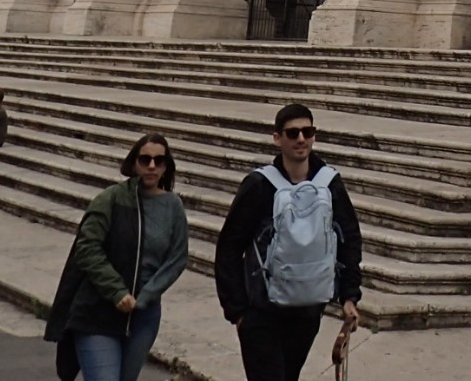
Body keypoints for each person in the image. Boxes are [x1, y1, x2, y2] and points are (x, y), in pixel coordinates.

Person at [215, 104, 362, 381]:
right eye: (292, 133)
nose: (301, 139)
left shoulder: (329, 183)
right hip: (261, 313)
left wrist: (350, 295)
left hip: (307, 310)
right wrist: (237, 312)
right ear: (277, 138)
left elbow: (349, 239)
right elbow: (230, 246)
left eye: (307, 132)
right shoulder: (259, 185)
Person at [45, 132, 189, 381]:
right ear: (134, 163)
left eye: (159, 160)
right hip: (99, 310)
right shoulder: (111, 199)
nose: (152, 166)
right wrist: (117, 291)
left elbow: (177, 257)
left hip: (143, 314)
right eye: (145, 159)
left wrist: (145, 297)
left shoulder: (173, 205)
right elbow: (87, 248)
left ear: (167, 166)